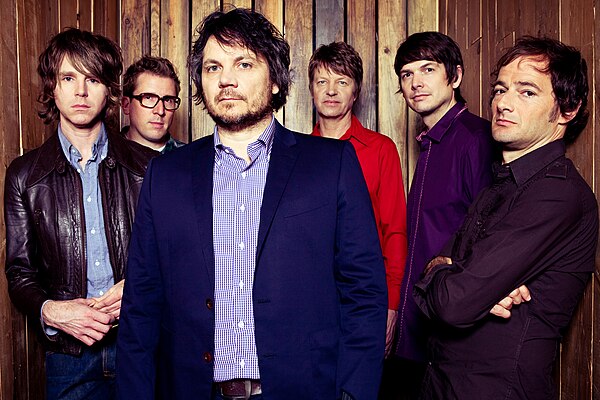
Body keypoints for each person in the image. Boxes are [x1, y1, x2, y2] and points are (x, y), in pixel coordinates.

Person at [116, 8, 387, 400]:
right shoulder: (166, 177)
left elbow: (364, 294)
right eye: (212, 67)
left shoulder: (332, 165)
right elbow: (141, 307)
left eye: (243, 63)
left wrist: (353, 394)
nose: (226, 79)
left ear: (276, 81)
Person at [414, 36, 598, 399]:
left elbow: (453, 304)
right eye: (500, 89)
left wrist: (450, 276)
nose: (503, 102)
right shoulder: (499, 183)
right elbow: (434, 286)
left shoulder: (557, 194)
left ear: (567, 109)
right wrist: (445, 271)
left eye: (526, 92)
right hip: (441, 384)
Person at [4, 28, 157, 399]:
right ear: (52, 88)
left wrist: (141, 288)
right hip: (68, 355)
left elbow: (173, 258)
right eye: (68, 78)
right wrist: (51, 311)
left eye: (92, 79)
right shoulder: (25, 175)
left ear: (109, 90)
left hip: (140, 343)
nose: (81, 92)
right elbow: (19, 270)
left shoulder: (150, 168)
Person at [388, 31, 494, 398]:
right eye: (406, 74)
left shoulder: (475, 138)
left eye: (428, 69)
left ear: (456, 76)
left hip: (450, 330)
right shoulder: (431, 142)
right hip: (420, 327)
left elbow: (487, 233)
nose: (416, 82)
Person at [309, 41, 407, 357]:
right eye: (322, 81)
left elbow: (394, 231)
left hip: (365, 299)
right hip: (311, 300)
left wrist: (392, 305)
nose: (331, 90)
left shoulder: (380, 150)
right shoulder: (297, 155)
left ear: (355, 91)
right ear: (311, 90)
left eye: (342, 81)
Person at [121, 55, 185, 153]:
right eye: (148, 98)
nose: (160, 111)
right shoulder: (105, 154)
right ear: (126, 105)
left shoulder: (190, 159)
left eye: (168, 100)